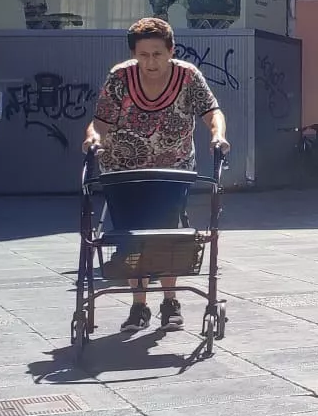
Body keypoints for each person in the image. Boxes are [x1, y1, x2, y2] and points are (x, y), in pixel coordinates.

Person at [83, 17, 229, 333]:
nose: (151, 62)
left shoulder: (188, 77)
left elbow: (211, 111)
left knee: (165, 233)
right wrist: (93, 137)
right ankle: (139, 306)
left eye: (157, 54)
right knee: (130, 237)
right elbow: (101, 121)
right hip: (123, 171)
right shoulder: (119, 77)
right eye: (144, 54)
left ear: (171, 50)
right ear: (134, 53)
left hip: (171, 169)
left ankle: (170, 301)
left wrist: (217, 135)